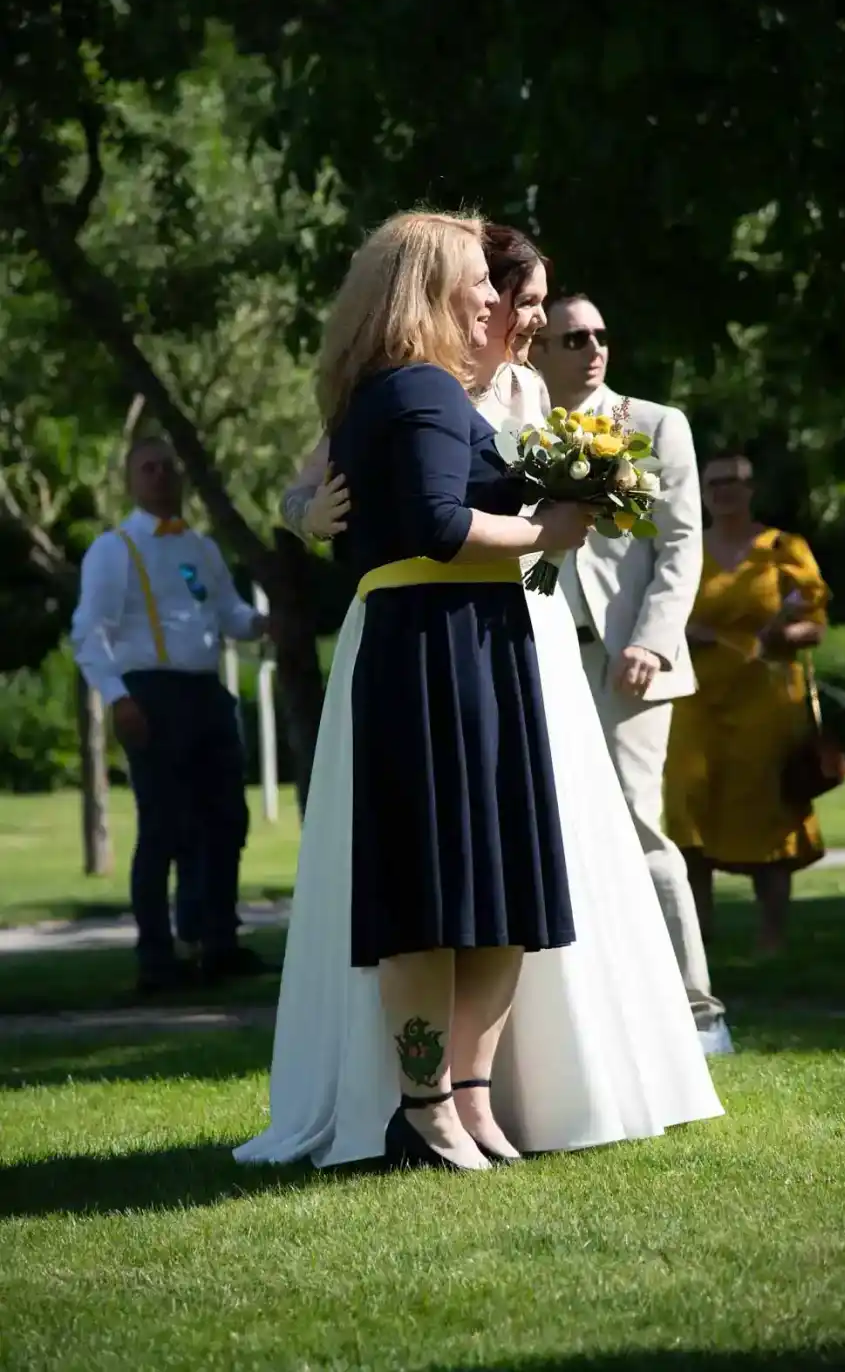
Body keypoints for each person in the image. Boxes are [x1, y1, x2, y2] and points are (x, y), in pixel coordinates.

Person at [238, 222, 722, 1174]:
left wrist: (567, 508)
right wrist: (549, 531)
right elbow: (432, 521)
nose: (499, 307)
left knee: (503, 888)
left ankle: (466, 1099)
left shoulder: (435, 388)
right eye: (482, 286)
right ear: (429, 288)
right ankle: (428, 1106)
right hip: (435, 650)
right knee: (435, 891)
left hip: (485, 644)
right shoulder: (414, 387)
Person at [531, 294, 731, 1053]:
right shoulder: (521, 430)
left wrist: (651, 641)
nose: (592, 347)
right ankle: (594, 1018)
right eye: (572, 337)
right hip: (545, 652)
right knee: (558, 832)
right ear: (538, 351)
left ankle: (699, 1014)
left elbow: (681, 549)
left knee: (640, 828)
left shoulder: (654, 424)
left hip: (631, 666)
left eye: (600, 335)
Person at [70, 437, 273, 993]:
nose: (160, 476)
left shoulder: (202, 548)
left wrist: (261, 625)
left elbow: (227, 611)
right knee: (164, 829)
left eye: (168, 467)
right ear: (131, 480)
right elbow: (89, 633)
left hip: (205, 694)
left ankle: (217, 941)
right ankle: (156, 957)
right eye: (148, 468)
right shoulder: (115, 549)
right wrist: (117, 697)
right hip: (150, 695)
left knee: (225, 821)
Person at [664, 452, 830, 955]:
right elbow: (657, 607)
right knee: (688, 808)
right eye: (715, 483)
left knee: (767, 813)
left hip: (765, 703)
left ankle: (771, 938)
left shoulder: (782, 547)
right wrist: (681, 631)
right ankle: (700, 935)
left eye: (734, 482)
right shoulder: (685, 546)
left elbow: (815, 624)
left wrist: (783, 634)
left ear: (751, 488)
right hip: (694, 700)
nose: (724, 492)